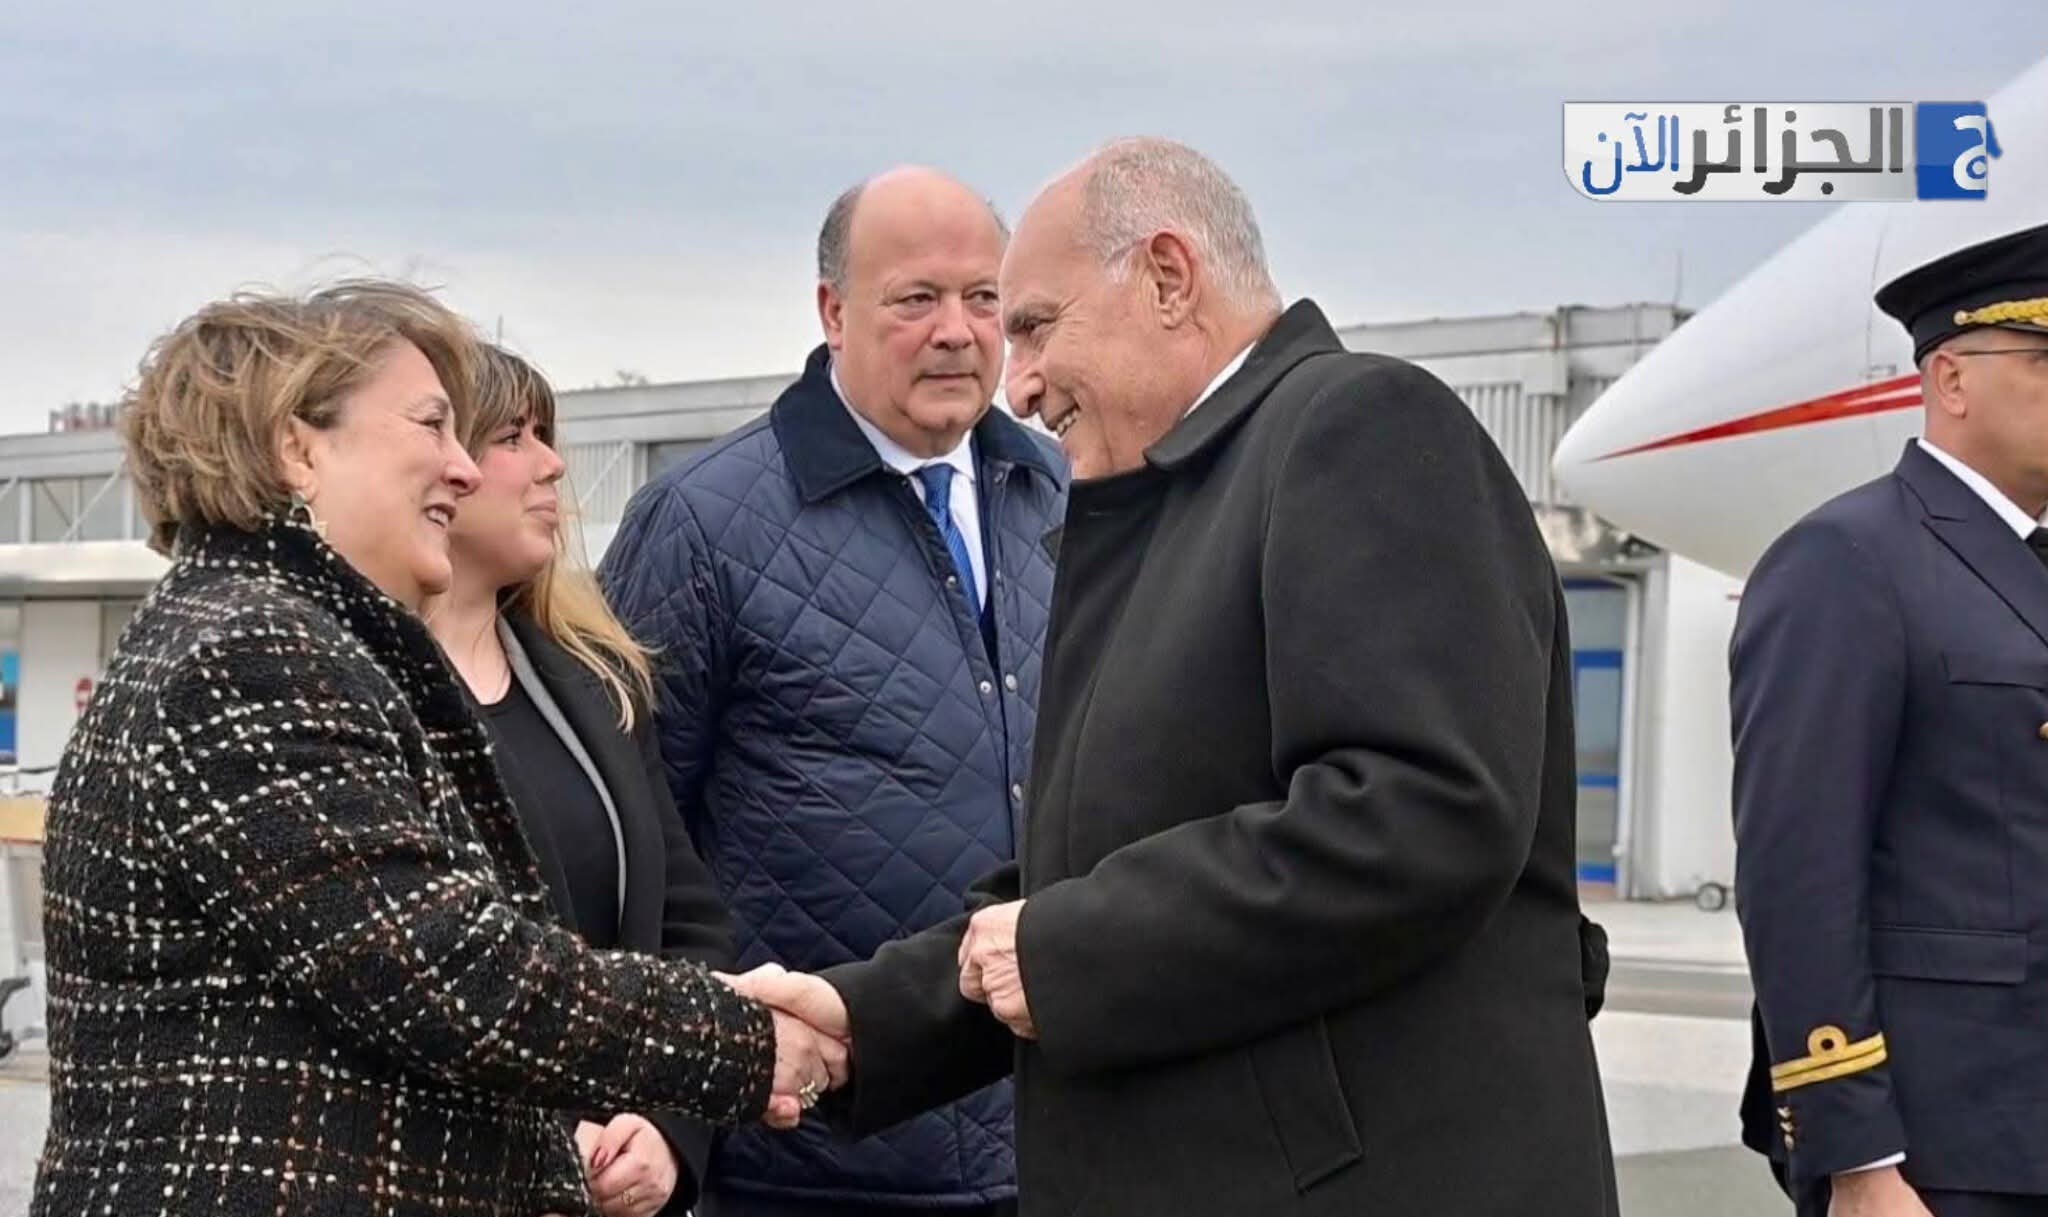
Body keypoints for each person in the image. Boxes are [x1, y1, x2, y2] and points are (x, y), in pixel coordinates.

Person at [730, 137, 1617, 1217]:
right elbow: (1082, 882)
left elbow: (1420, 810)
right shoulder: (1178, 504)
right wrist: (864, 1020)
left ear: (1166, 276)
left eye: (1034, 324)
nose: (1019, 381)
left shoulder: (1357, 428)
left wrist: (1064, 950)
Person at [32, 282, 841, 1217]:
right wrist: (745, 1040)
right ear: (299, 448)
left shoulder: (269, 632)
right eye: (431, 425)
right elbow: (446, 972)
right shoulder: (254, 653)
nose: (462, 470)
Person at [599, 167, 1066, 1217]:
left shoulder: (1065, 493)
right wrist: (670, 1114)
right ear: (832, 311)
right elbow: (634, 848)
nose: (956, 332)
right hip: (809, 1158)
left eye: (983, 298)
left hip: (1053, 1141)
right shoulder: (700, 526)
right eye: (916, 299)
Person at [1731, 221, 2048, 1217]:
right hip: (1947, 1148)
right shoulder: (1847, 559)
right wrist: (1858, 1157)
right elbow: (1798, 877)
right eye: (2046, 362)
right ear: (1950, 378)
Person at [429, 344, 741, 1217]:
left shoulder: (598, 684)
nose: (552, 464)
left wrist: (668, 1130)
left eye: (547, 435)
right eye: (512, 437)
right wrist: (542, 1139)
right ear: (438, 465)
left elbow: (691, 929)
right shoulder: (355, 693)